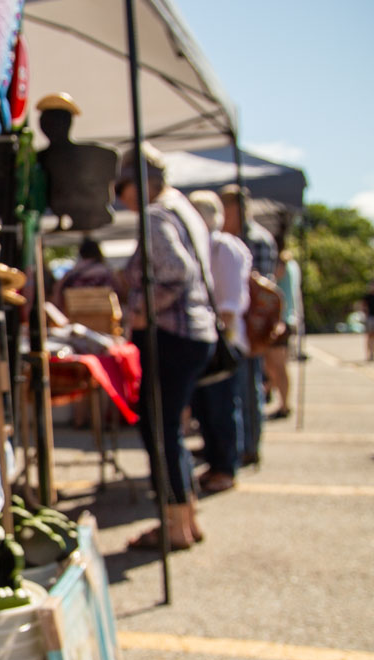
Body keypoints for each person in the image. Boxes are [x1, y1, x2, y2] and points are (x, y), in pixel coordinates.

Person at [116, 144, 216, 550]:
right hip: (193, 333)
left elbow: (176, 271)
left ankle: (174, 524)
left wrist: (143, 311)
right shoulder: (183, 210)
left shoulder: (157, 215)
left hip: (172, 334)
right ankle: (185, 517)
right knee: (169, 428)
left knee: (159, 428)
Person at [187, 190, 251, 494]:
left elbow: (229, 302)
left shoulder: (222, 246)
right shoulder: (207, 246)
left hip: (223, 339)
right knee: (207, 408)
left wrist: (220, 337)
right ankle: (216, 464)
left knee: (221, 406)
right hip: (210, 337)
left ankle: (226, 467)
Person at [220, 184, 276, 465]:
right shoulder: (234, 238)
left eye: (225, 207)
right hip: (236, 324)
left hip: (250, 325)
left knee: (248, 387)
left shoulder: (255, 239)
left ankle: (249, 446)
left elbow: (261, 290)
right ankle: (240, 444)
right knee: (235, 390)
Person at [266, 250, 301, 418]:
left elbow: (271, 281)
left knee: (278, 366)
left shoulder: (283, 264)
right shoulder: (292, 264)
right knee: (274, 366)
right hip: (287, 319)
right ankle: (279, 400)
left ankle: (285, 405)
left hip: (281, 320)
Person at [51, 237, 117, 314]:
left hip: (75, 319)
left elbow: (57, 300)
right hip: (104, 317)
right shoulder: (106, 273)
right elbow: (117, 295)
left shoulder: (70, 275)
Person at [364, 279, 374, 361]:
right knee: (369, 336)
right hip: (370, 318)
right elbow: (363, 307)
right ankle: (370, 354)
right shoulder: (367, 297)